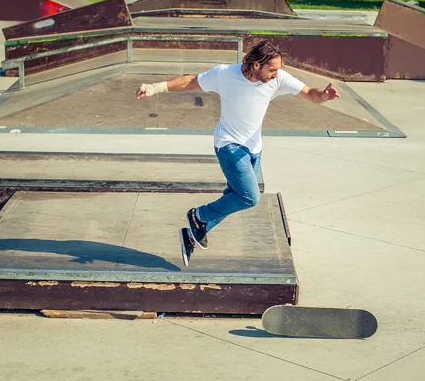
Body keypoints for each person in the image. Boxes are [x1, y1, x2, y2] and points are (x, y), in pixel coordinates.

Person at [136, 40, 340, 266]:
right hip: (228, 145)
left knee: (233, 198)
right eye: (271, 69)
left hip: (254, 149)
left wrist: (324, 96)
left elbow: (310, 93)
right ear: (255, 65)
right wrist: (155, 87)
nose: (275, 74)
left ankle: (192, 234)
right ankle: (199, 215)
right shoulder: (225, 74)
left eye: (278, 69)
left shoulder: (278, 78)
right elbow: (192, 81)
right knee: (249, 197)